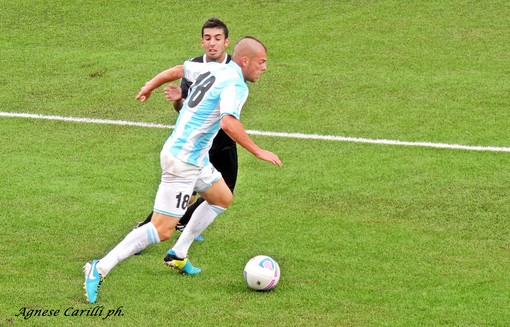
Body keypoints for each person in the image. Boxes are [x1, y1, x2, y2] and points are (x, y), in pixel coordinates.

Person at [84, 36, 282, 304]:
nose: (264, 67)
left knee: (221, 198)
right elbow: (228, 124)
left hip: (195, 157)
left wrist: (150, 85)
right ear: (245, 61)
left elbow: (179, 70)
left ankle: (178, 253)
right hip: (182, 161)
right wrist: (259, 151)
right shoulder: (236, 85)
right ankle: (100, 267)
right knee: (161, 229)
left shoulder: (213, 67)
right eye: (262, 62)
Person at [135, 18, 236, 242]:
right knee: (189, 191)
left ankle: (182, 225)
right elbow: (182, 109)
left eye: (217, 39)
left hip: (224, 138)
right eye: (208, 38)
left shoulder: (233, 70)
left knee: (224, 191)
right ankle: (145, 229)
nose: (212, 43)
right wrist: (179, 99)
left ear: (226, 42)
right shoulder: (193, 66)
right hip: (196, 141)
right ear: (202, 42)